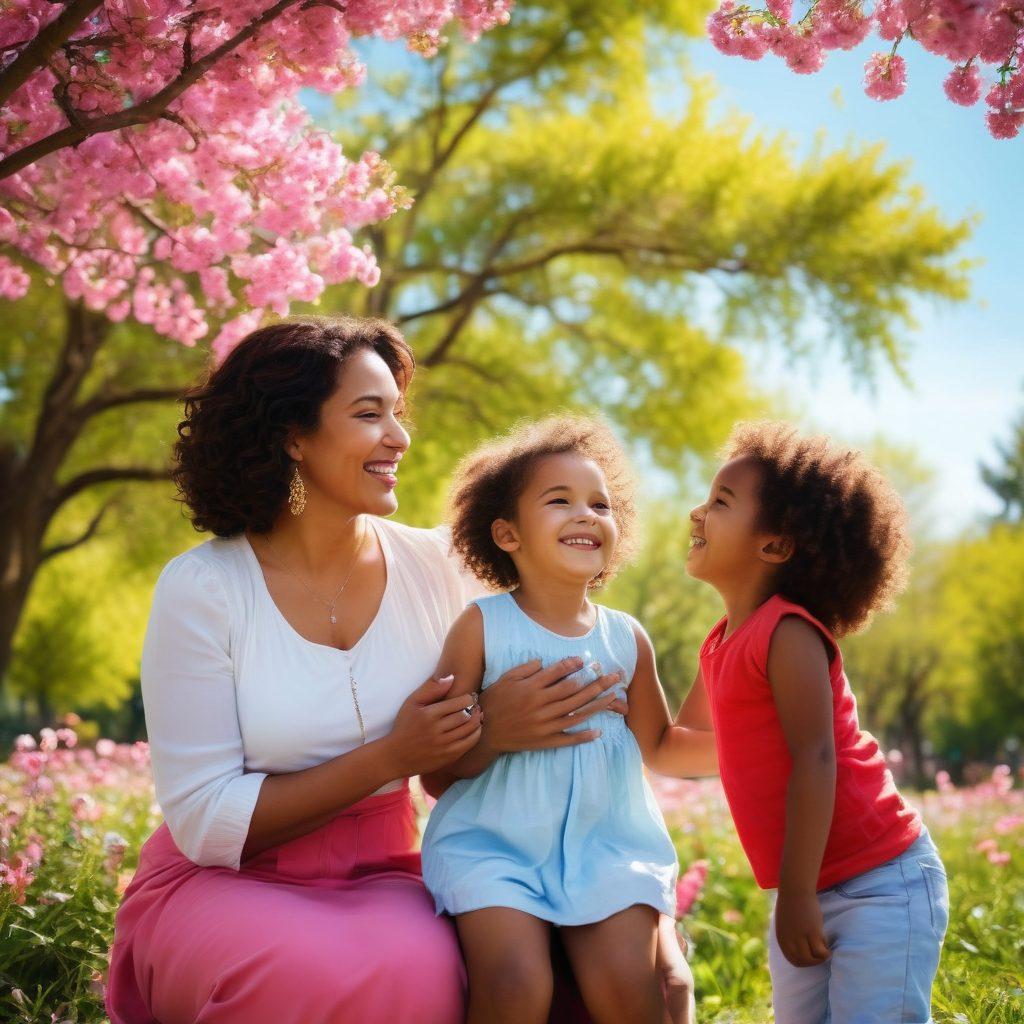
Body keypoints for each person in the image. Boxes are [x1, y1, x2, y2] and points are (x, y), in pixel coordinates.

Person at [105, 316, 693, 1024]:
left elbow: (598, 715)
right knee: (296, 973)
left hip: (386, 874)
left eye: (397, 413)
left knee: (424, 974)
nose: (399, 437)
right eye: (367, 414)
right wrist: (393, 755)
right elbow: (204, 822)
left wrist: (643, 905)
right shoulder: (203, 588)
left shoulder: (444, 567)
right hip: (224, 879)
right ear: (293, 436)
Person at [420, 417, 717, 1024]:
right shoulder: (482, 627)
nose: (586, 514)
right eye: (560, 501)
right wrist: (493, 734)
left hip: (607, 848)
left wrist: (754, 738)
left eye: (600, 504)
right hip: (494, 849)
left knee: (631, 992)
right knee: (517, 987)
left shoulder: (625, 638)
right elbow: (438, 771)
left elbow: (662, 747)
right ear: (507, 534)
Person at [669, 420, 949, 1023]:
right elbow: (681, 750)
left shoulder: (788, 632)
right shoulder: (720, 644)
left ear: (775, 546)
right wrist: (619, 691)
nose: (698, 512)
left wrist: (797, 895)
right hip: (805, 888)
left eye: (720, 502)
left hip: (880, 881)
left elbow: (815, 758)